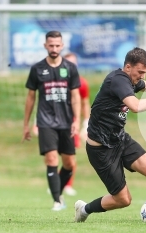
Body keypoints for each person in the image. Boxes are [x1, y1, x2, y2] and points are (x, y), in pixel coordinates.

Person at [74, 47, 146, 223]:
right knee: (123, 200)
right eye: (140, 72)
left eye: (145, 72)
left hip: (119, 139)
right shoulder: (118, 80)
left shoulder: (130, 79)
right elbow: (135, 107)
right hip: (101, 150)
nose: (142, 76)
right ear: (128, 67)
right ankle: (84, 209)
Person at [22, 31, 81, 211]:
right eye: (51, 45)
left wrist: (76, 120)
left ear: (62, 46)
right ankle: (57, 201)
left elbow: (76, 96)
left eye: (57, 45)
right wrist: (26, 124)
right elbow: (31, 97)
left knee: (69, 163)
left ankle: (58, 191)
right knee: (51, 158)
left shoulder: (70, 68)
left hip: (66, 122)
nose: (54, 48)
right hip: (45, 121)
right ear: (45, 46)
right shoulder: (37, 69)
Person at [63, 52, 91, 196]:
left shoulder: (82, 83)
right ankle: (56, 183)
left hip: (71, 123)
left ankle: (67, 185)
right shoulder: (55, 81)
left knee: (70, 155)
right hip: (53, 122)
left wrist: (86, 124)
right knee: (53, 156)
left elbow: (85, 104)